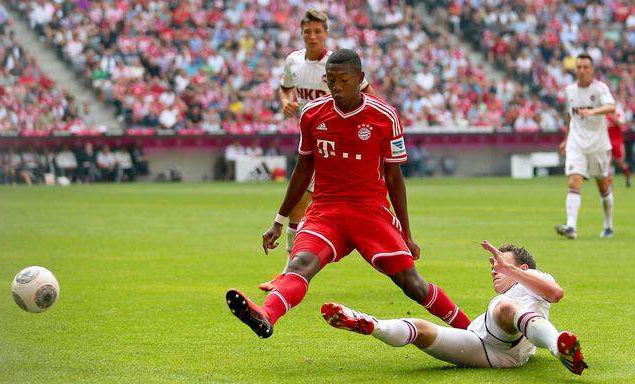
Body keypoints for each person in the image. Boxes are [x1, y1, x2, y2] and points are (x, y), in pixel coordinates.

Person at [226, 49, 470, 339]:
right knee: (301, 263)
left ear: (360, 79)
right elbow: (303, 169)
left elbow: (394, 177)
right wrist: (279, 219)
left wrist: (406, 231)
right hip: (325, 211)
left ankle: (473, 331)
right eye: (331, 80)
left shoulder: (384, 116)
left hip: (370, 212)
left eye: (344, 79)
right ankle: (266, 315)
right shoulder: (312, 114)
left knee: (411, 283)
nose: (337, 87)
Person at [321, 241, 588, 376]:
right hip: (483, 347)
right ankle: (369, 323)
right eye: (494, 265)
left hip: (509, 345)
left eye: (500, 263)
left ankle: (560, 349)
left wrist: (511, 271)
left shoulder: (538, 279)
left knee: (504, 306)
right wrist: (508, 270)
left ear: (524, 268)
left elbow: (556, 294)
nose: (495, 269)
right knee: (420, 329)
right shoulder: (508, 292)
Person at [260, 9, 378, 292]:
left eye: (317, 32)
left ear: (326, 33)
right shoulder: (294, 61)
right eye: (307, 32)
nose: (312, 36)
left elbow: (370, 96)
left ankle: (289, 274)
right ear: (302, 33)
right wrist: (287, 102)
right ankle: (293, 270)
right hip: (309, 140)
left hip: (334, 145)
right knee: (305, 205)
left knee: (300, 201)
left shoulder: (337, 64)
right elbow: (285, 88)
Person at [556, 53, 616, 239]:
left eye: (585, 67)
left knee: (602, 185)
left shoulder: (600, 88)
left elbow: (611, 107)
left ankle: (608, 224)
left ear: (591, 69)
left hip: (598, 144)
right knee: (573, 181)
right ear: (575, 69)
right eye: (579, 67)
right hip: (576, 143)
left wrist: (592, 112)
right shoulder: (569, 91)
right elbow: (569, 117)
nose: (582, 70)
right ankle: (571, 227)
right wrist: (566, 139)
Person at [606, 106, 631, 187]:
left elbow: (621, 123)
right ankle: (609, 183)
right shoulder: (604, 115)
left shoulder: (617, 114)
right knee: (607, 163)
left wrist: (614, 117)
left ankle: (627, 177)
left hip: (617, 142)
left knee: (620, 163)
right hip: (607, 142)